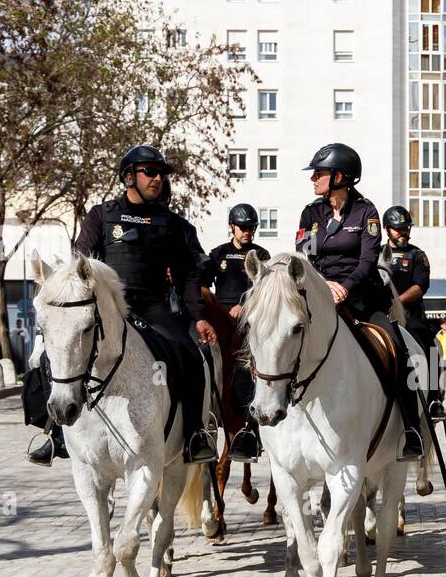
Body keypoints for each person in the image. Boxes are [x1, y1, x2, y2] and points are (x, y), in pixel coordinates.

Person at [24, 144, 218, 467]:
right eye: (150, 172)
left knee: (190, 354)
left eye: (161, 174)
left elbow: (186, 275)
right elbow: (80, 262)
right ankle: (54, 433)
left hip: (153, 307)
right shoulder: (101, 216)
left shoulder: (172, 224)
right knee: (51, 353)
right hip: (108, 310)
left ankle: (195, 434)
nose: (158, 179)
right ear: (129, 176)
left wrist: (197, 318)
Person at [297, 143, 423, 459]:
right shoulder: (311, 213)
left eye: (319, 173)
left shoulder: (366, 212)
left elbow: (368, 260)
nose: (313, 179)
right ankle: (260, 428)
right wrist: (324, 285)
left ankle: (411, 430)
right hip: (320, 296)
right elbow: (305, 255)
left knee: (397, 346)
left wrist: (345, 287)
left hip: (363, 299)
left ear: (340, 176)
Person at [204, 202, 271, 461]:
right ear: (232, 227)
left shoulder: (261, 254)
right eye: (243, 227)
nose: (247, 232)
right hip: (220, 326)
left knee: (246, 373)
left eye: (251, 228)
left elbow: (265, 289)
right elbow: (201, 284)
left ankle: (248, 433)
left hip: (248, 325)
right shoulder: (218, 254)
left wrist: (243, 307)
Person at [383, 204, 445, 422]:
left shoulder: (417, 255)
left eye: (406, 228)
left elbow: (421, 286)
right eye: (398, 229)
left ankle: (435, 399)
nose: (403, 232)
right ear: (387, 229)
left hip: (411, 317)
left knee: (431, 347)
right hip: (383, 316)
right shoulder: (378, 255)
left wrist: (397, 302)